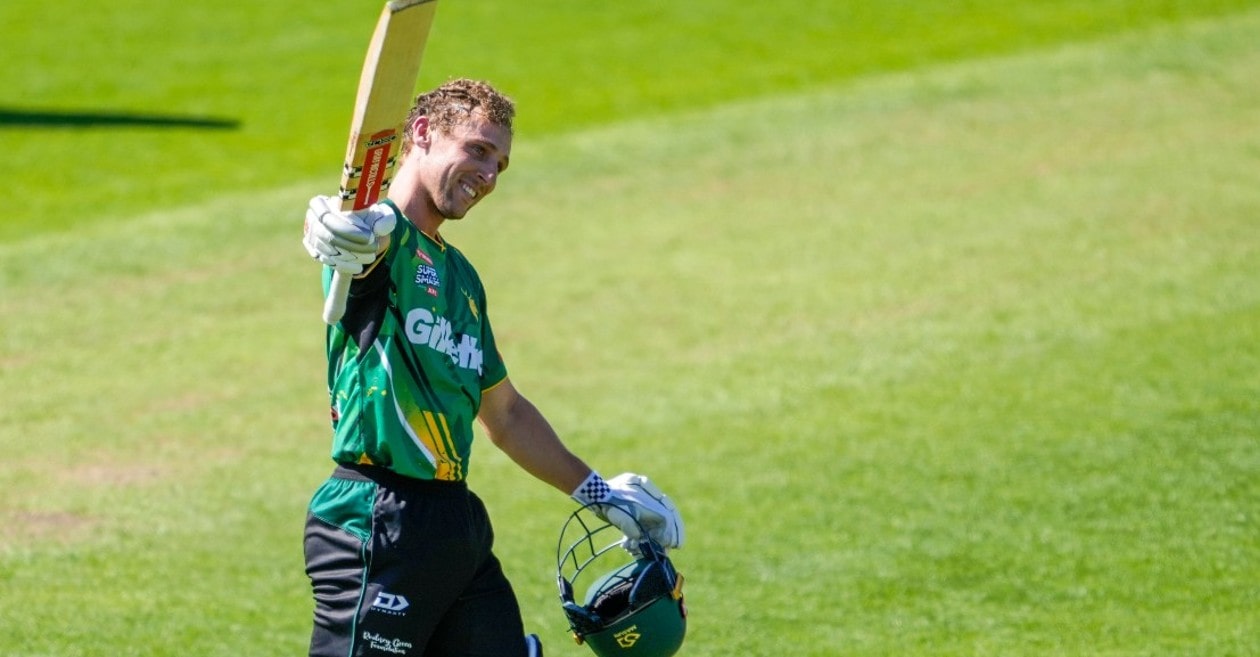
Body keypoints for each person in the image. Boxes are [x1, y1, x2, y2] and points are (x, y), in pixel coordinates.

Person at [299, 78, 684, 657]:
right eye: (478, 150)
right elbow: (356, 244)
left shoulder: (461, 278)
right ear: (424, 133)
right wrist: (327, 225)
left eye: (500, 163)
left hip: (456, 524)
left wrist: (599, 493)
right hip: (378, 522)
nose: (490, 174)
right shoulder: (377, 240)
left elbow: (503, 413)